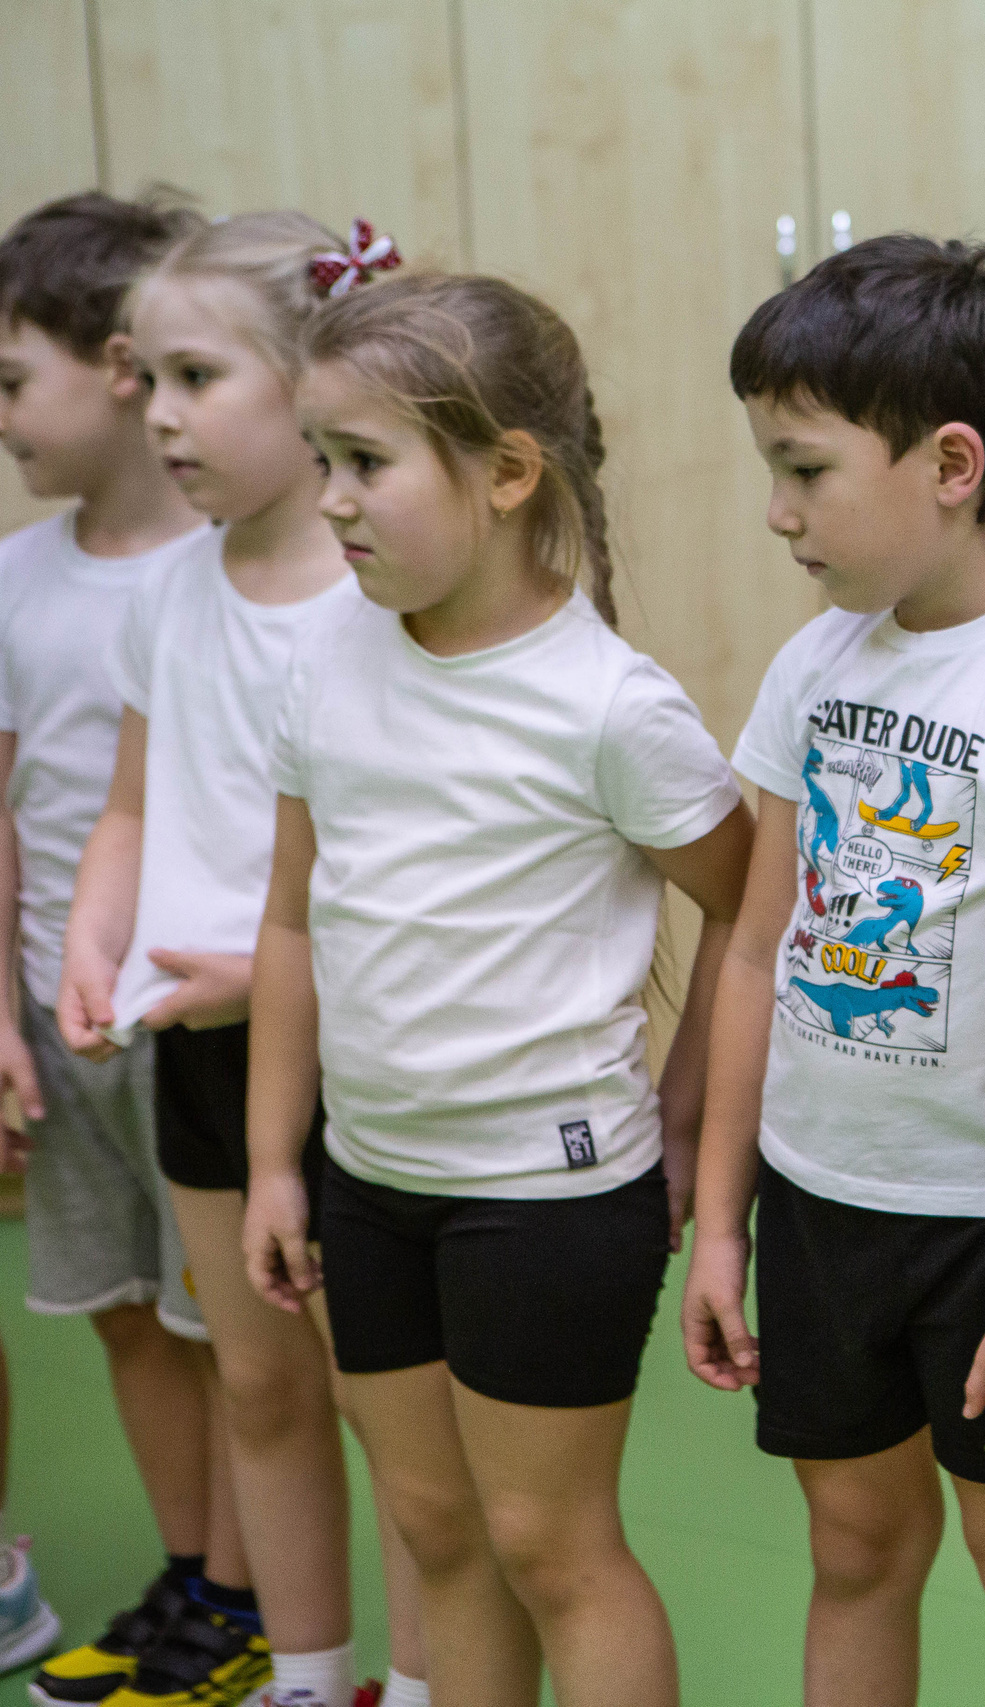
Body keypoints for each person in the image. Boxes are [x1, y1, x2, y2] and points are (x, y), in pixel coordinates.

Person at [235, 267, 746, 1707]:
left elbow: (747, 909)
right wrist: (274, 1160)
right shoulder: (327, 658)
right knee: (437, 1530)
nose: (331, 499)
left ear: (509, 473)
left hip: (547, 1195)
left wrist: (686, 1124)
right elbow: (290, 921)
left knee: (550, 1544)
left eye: (366, 461)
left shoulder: (612, 707)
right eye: (322, 458)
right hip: (369, 1181)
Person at [682, 234, 985, 1707]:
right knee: (853, 1547)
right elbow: (754, 947)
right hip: (820, 1203)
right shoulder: (814, 665)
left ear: (952, 463)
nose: (779, 512)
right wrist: (720, 1222)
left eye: (806, 469)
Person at [54, 210, 424, 1707]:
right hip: (195, 1052)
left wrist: (260, 982)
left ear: (310, 380)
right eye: (148, 378)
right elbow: (131, 808)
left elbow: (398, 866)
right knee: (259, 1384)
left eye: (198, 377)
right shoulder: (171, 591)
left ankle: (424, 1680)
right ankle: (307, 1674)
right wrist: (93, 942)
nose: (159, 413)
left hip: (350, 1067)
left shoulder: (377, 605)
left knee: (392, 1414)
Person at [0, 187, 247, 1707]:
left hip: (194, 1020)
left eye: (11, 379)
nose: (0, 414)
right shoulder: (16, 578)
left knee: (223, 1327)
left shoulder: (225, 572)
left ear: (115, 369)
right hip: (60, 1013)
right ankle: (186, 1574)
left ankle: (245, 1596)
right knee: (124, 1314)